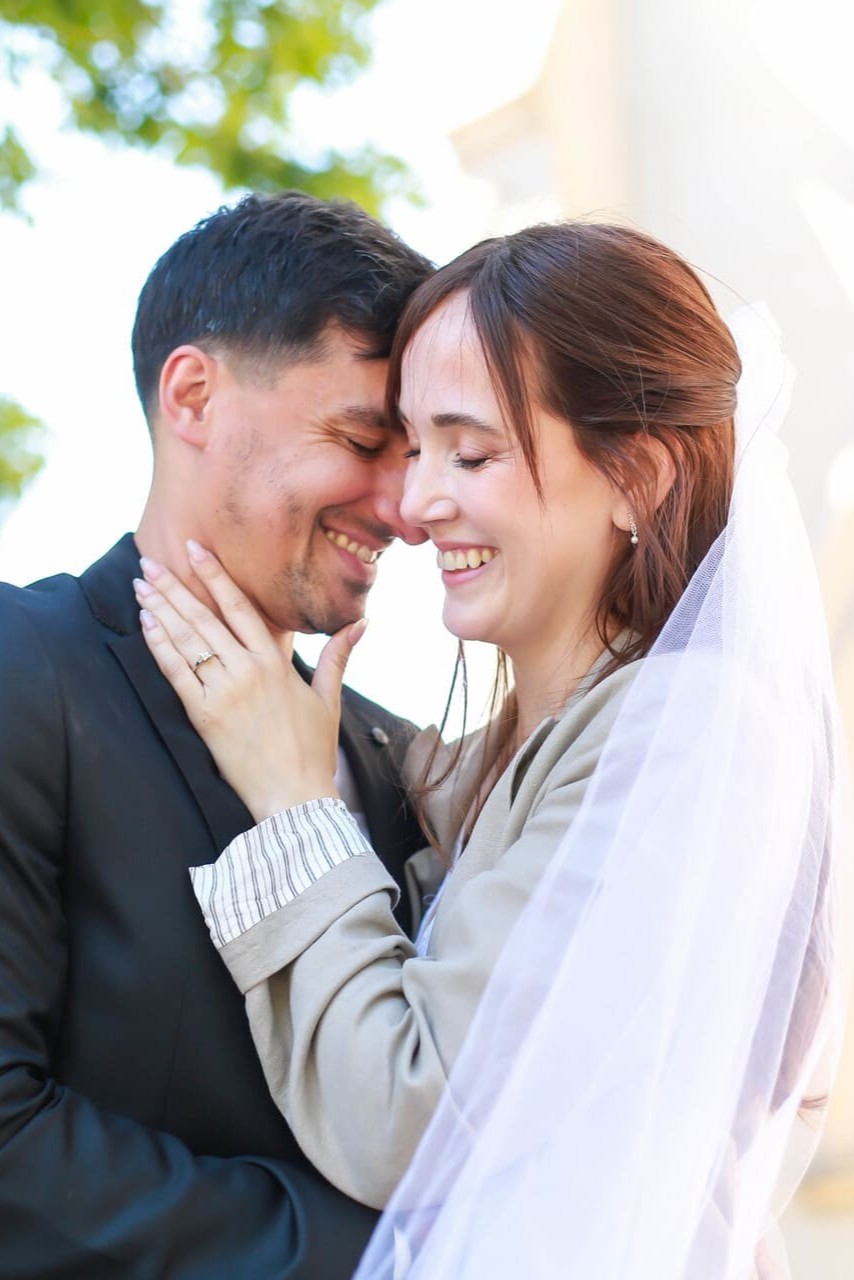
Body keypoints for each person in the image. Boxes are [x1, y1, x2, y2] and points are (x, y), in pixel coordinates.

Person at [136, 223, 848, 1277]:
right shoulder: (501, 753)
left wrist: (292, 802)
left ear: (636, 476)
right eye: (407, 446)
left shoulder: (684, 732)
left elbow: (404, 1116)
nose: (415, 505)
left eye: (467, 453)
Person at [0, 191, 434, 1278]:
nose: (405, 506)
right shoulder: (24, 669)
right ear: (193, 395)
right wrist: (403, 1253)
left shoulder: (396, 755)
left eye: (419, 453)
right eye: (363, 440)